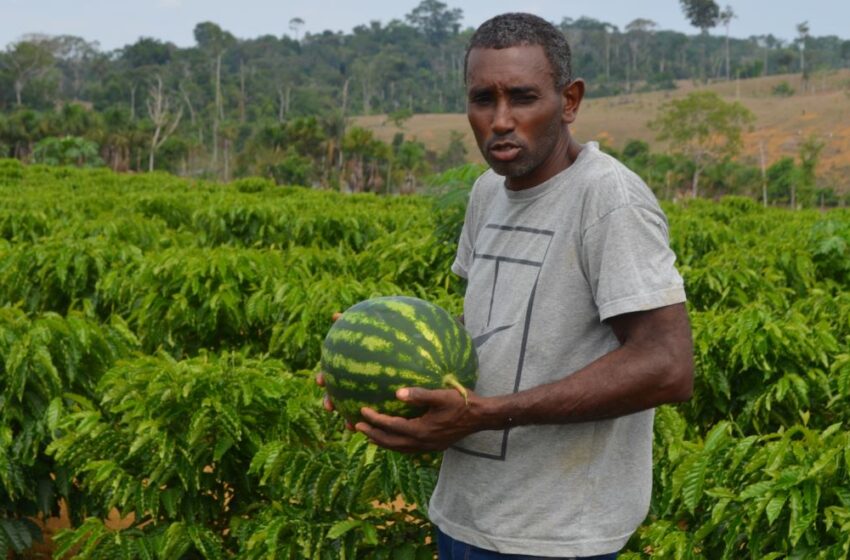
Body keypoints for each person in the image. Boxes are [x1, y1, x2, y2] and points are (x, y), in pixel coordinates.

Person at [320, 12, 694, 560]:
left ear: (568, 101)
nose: (499, 121)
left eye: (521, 98)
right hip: (467, 513)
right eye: (482, 99)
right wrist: (375, 353)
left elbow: (667, 366)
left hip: (554, 534)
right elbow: (490, 325)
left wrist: (486, 414)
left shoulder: (608, 198)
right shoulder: (487, 193)